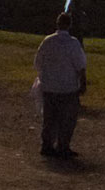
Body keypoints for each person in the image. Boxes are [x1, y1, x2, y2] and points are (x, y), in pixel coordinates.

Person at [33, 10, 87, 159]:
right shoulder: (73, 43)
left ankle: (47, 145)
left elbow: (38, 62)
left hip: (49, 87)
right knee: (67, 119)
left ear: (57, 24)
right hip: (68, 88)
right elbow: (80, 66)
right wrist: (83, 83)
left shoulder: (47, 41)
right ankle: (63, 146)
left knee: (49, 118)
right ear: (69, 25)